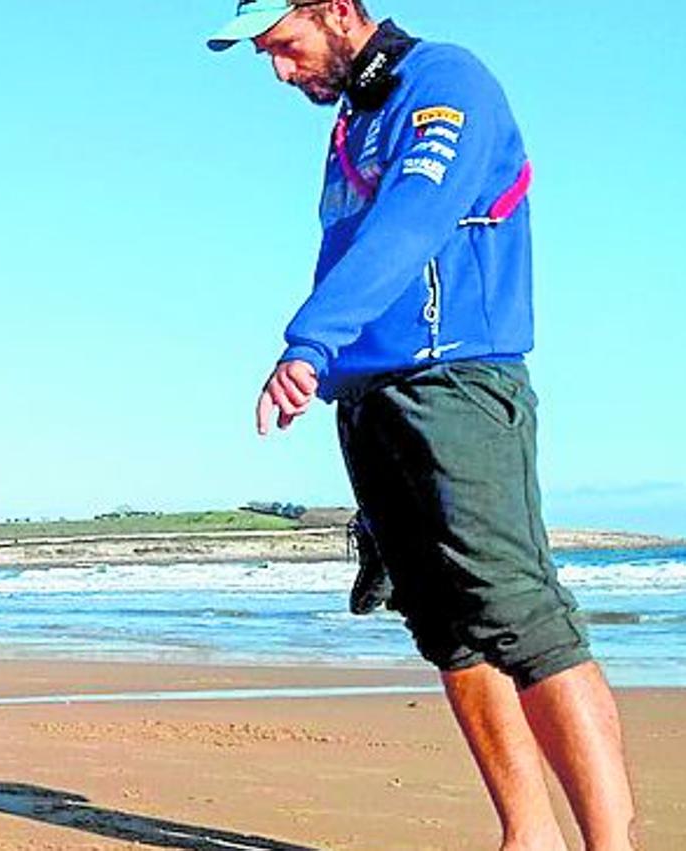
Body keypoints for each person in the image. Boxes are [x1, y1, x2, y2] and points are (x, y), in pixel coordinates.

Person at [206, 2, 637, 849]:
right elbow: (345, 252)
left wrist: (306, 341)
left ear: (336, 11)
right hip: (367, 395)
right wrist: (326, 366)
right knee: (441, 624)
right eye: (264, 56)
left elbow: (416, 219)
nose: (280, 71)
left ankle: (609, 845)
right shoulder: (352, 120)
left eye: (284, 47)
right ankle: (528, 836)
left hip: (456, 380)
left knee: (519, 612)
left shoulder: (444, 83)